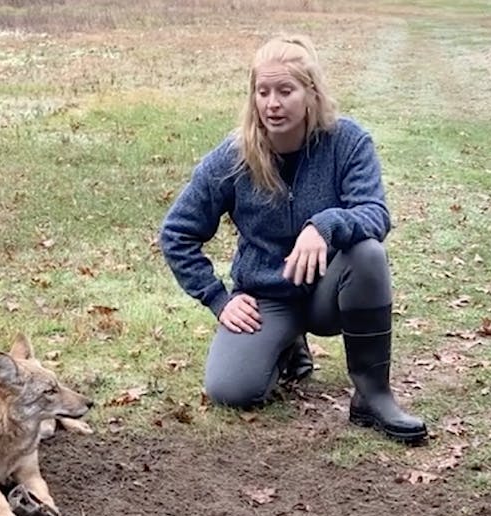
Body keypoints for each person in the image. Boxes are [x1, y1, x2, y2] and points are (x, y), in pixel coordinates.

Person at [159, 34, 426, 445]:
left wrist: (325, 225)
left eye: (286, 90)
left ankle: (373, 396)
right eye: (262, 92)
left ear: (311, 93)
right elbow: (176, 233)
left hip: (329, 292)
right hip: (268, 297)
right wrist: (217, 298)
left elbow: (376, 215)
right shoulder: (232, 158)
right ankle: (286, 347)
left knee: (368, 253)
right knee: (231, 390)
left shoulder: (348, 142)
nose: (272, 103)